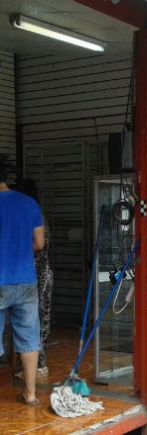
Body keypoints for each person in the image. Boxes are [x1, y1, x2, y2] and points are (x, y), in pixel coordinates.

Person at [0, 158, 45, 405]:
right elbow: (39, 243)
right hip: (26, 280)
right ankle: (30, 393)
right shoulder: (30, 203)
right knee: (29, 338)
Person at [15, 178, 53, 378]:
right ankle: (39, 364)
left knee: (32, 320)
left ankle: (36, 365)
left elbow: (39, 245)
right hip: (43, 271)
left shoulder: (29, 213)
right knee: (41, 318)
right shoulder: (37, 213)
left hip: (35, 273)